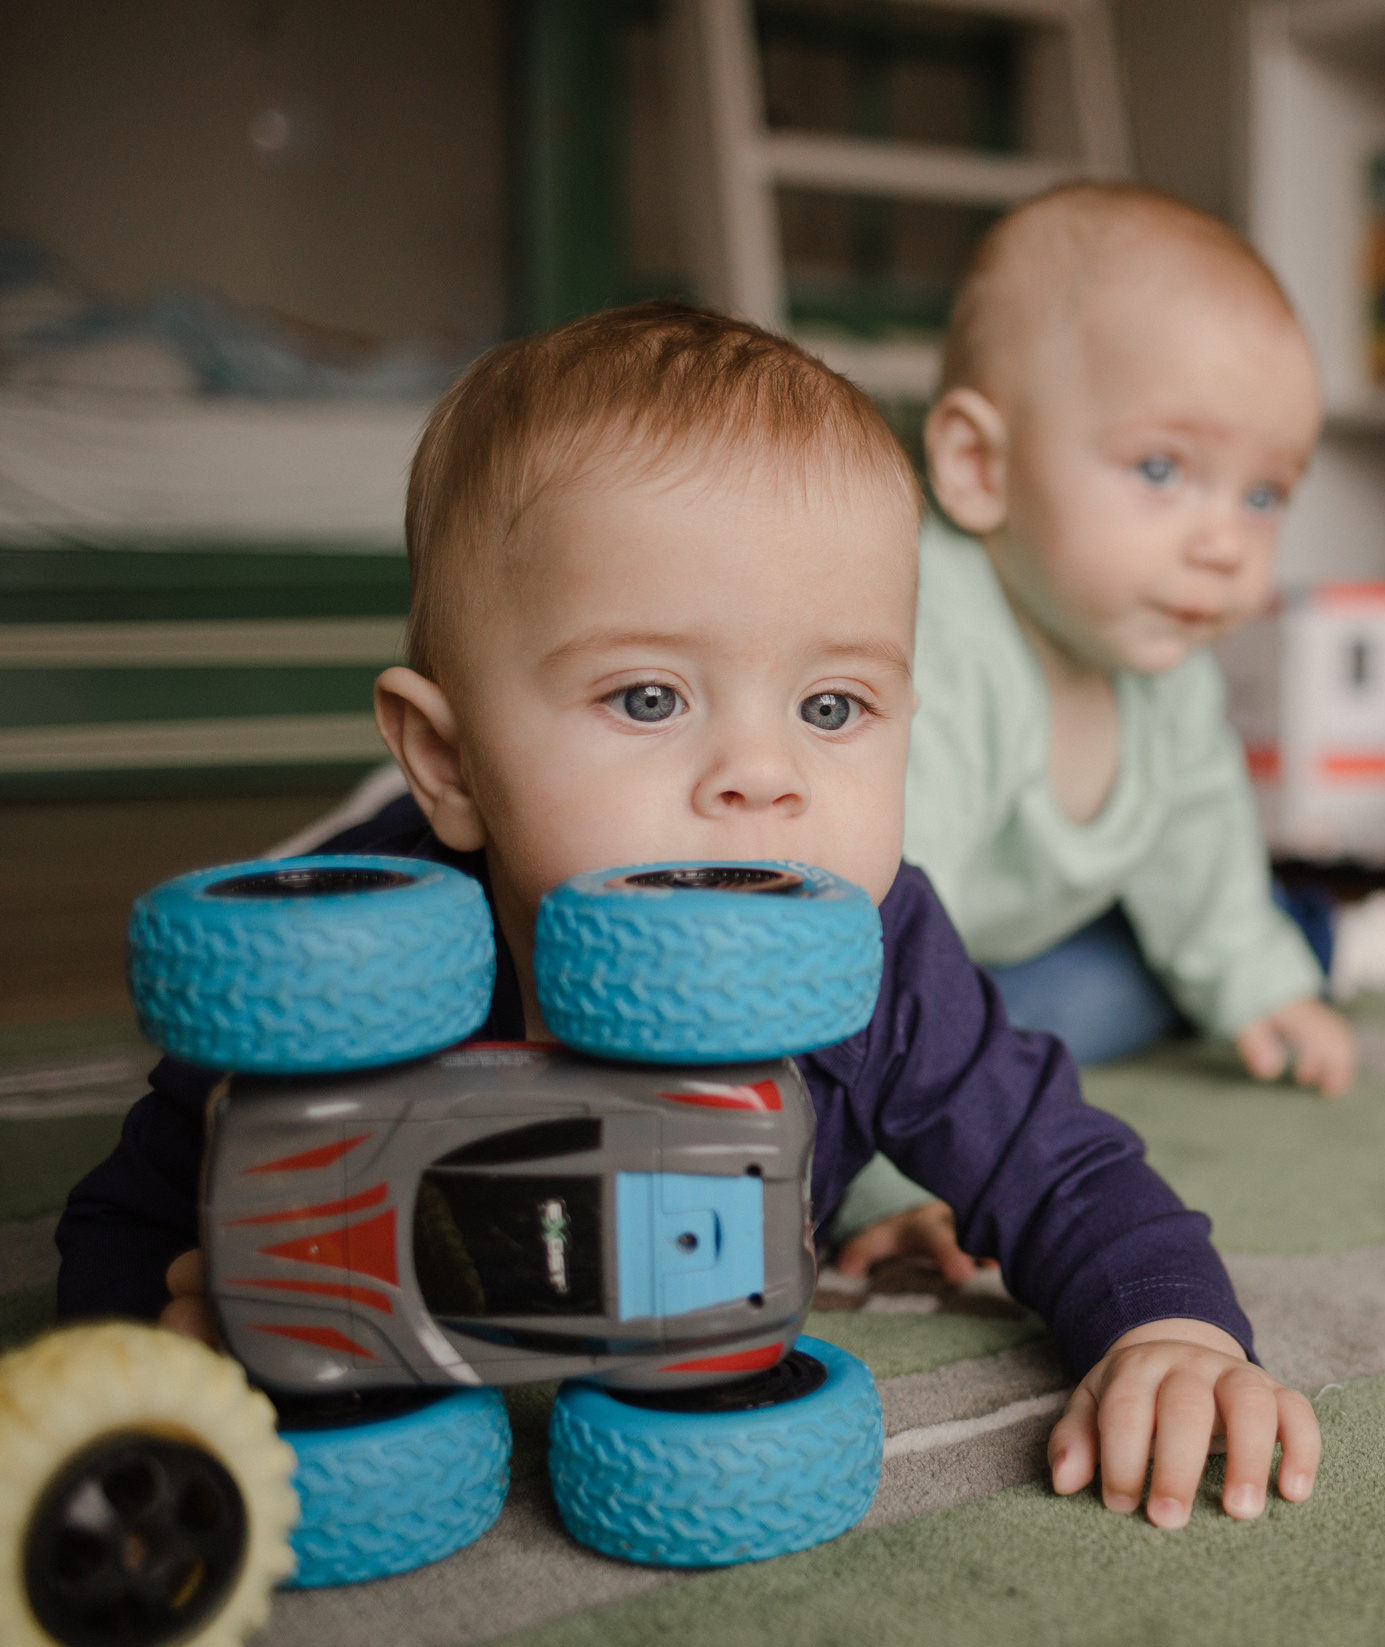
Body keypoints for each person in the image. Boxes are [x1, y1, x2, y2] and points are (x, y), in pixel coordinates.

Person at [53, 302, 1318, 1531]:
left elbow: (1067, 1167)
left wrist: (1171, 1332)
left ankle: (1306, 935)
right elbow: (130, 1211)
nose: (761, 776)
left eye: (832, 709)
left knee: (1074, 1006)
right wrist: (160, 1329)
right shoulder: (336, 979)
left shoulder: (882, 954)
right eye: (651, 698)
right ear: (448, 761)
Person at [830, 184, 1385, 1280]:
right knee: (1057, 1011)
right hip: (863, 958)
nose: (1223, 544)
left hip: (1011, 940)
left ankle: (1296, 946)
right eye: (1162, 470)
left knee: (1152, 978)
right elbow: (867, 968)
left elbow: (1199, 833)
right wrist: (881, 1173)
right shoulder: (933, 649)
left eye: (1263, 496)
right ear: (978, 467)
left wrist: (1256, 985)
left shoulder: (1163, 659)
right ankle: (1322, 936)